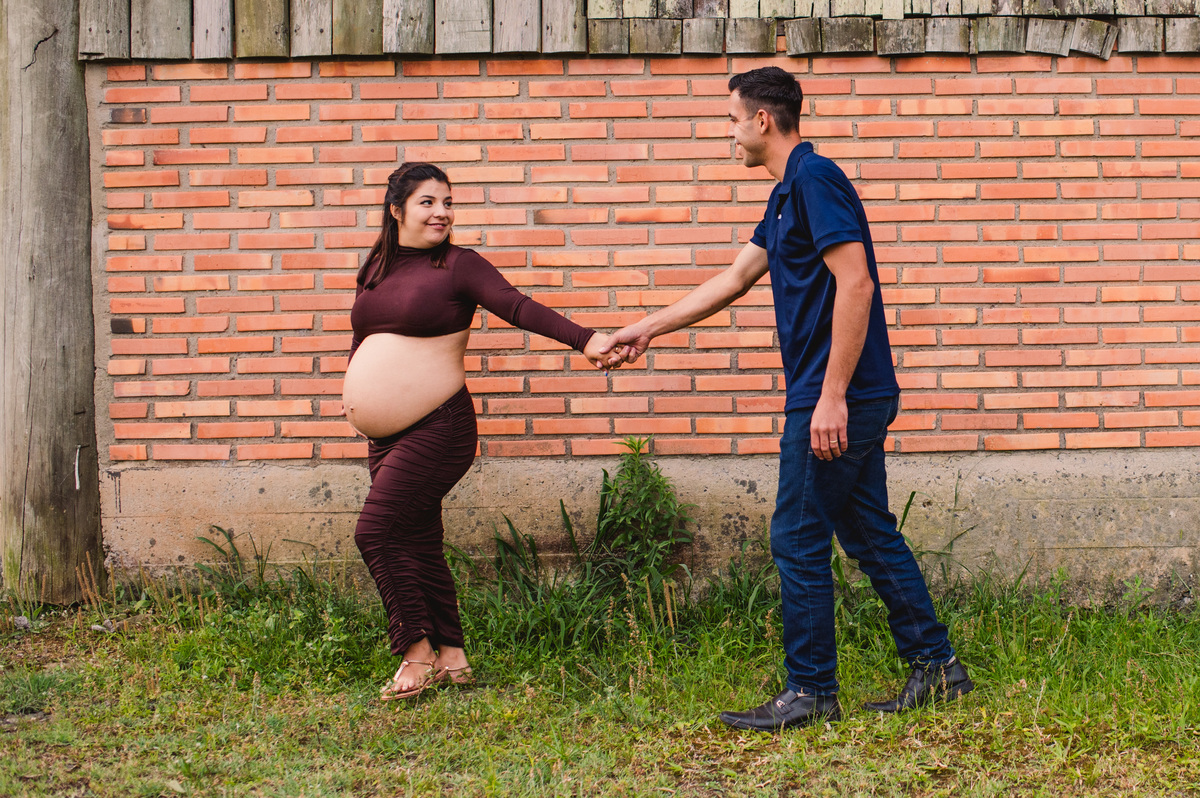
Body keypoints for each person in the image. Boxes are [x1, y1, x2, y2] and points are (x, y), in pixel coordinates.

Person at [599, 67, 972, 731]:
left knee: (797, 537)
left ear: (762, 120)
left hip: (837, 394)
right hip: (843, 392)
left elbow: (856, 284)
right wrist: (646, 328)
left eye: (732, 119)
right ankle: (938, 667)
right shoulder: (785, 195)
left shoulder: (815, 180)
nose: (729, 133)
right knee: (868, 533)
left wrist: (832, 398)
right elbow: (733, 278)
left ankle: (811, 691)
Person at [344, 162, 615, 700]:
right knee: (418, 540)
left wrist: (585, 339)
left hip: (439, 426)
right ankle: (453, 657)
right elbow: (365, 339)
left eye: (448, 202)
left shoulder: (458, 265)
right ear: (396, 209)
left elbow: (518, 306)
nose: (442, 212)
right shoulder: (375, 266)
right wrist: (364, 403)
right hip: (386, 436)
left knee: (375, 532)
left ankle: (416, 652)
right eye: (428, 202)